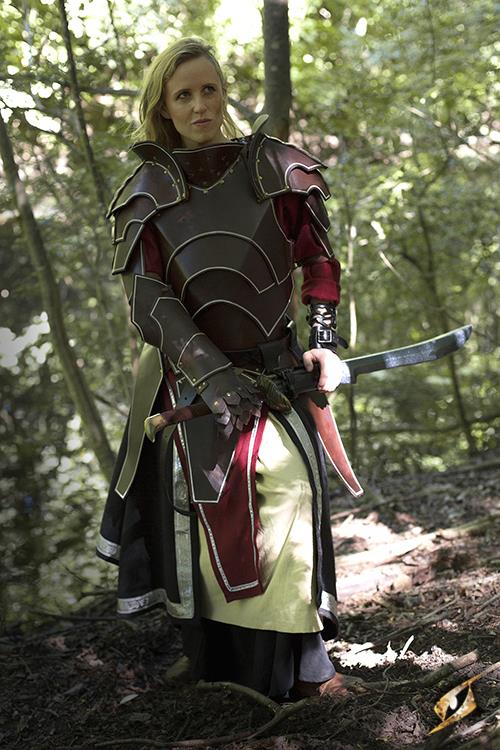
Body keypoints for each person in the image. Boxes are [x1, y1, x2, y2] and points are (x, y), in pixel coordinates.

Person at [97, 37, 362, 701]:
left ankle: (307, 669)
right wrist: (212, 375)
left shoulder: (274, 167)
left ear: (224, 92)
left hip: (276, 367)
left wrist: (322, 342)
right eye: (183, 94)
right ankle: (217, 664)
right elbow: (148, 299)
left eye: (209, 89)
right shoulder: (147, 192)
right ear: (163, 106)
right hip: (190, 378)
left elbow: (317, 262)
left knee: (288, 491)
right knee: (202, 514)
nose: (200, 105)